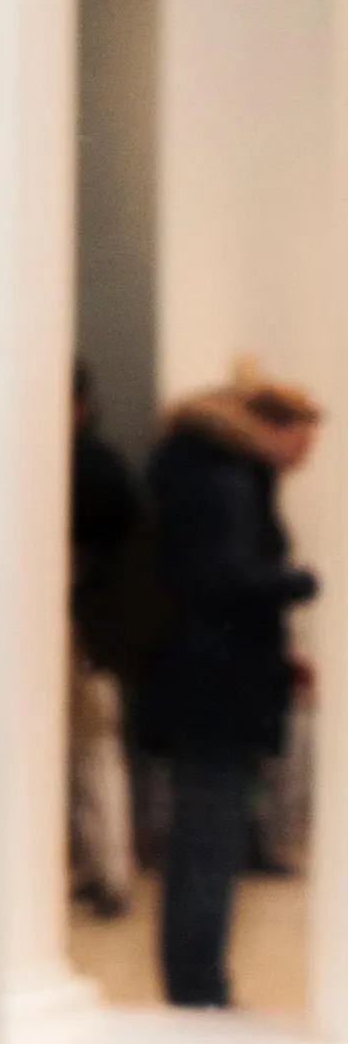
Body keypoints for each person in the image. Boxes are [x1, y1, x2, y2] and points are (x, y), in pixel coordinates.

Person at [132, 362, 323, 1007]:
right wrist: (297, 582)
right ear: (271, 428)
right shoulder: (223, 480)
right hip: (215, 684)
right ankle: (199, 988)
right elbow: (221, 579)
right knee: (206, 842)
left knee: (203, 839)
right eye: (302, 443)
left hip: (200, 680)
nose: (303, 460)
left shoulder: (200, 468)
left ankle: (197, 981)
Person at [69, 363, 146, 920]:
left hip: (80, 623)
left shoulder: (84, 467)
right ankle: (107, 869)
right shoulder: (102, 466)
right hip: (93, 623)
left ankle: (108, 871)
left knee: (91, 751)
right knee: (95, 752)